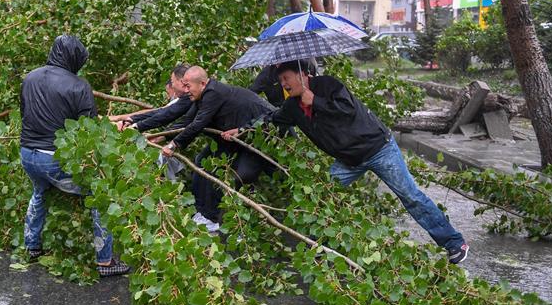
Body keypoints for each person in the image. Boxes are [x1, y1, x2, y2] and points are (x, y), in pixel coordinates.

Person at [232, 59, 469, 264]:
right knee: (321, 197)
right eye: (280, 80)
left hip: (379, 149)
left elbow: (347, 110)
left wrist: (315, 100)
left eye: (286, 78)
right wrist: (241, 129)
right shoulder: (292, 107)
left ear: (302, 75)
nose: (283, 84)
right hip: (349, 161)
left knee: (411, 197)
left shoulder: (328, 85)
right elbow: (271, 118)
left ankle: (454, 243)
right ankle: (319, 246)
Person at [20, 35, 130, 277]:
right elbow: (87, 133)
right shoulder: (79, 86)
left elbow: (25, 113)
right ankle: (105, 262)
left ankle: (31, 247)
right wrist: (114, 131)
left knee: (39, 192)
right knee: (100, 195)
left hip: (27, 154)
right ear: (74, 59)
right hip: (53, 160)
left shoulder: (30, 77)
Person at [161, 66, 278, 232]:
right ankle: (203, 212)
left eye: (188, 86)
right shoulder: (201, 96)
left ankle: (224, 220)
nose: (185, 90)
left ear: (202, 83)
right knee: (203, 160)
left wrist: (174, 145)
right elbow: (185, 122)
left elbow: (197, 124)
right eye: (184, 86)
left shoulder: (213, 94)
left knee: (240, 176)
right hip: (232, 135)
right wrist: (155, 135)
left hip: (259, 135)